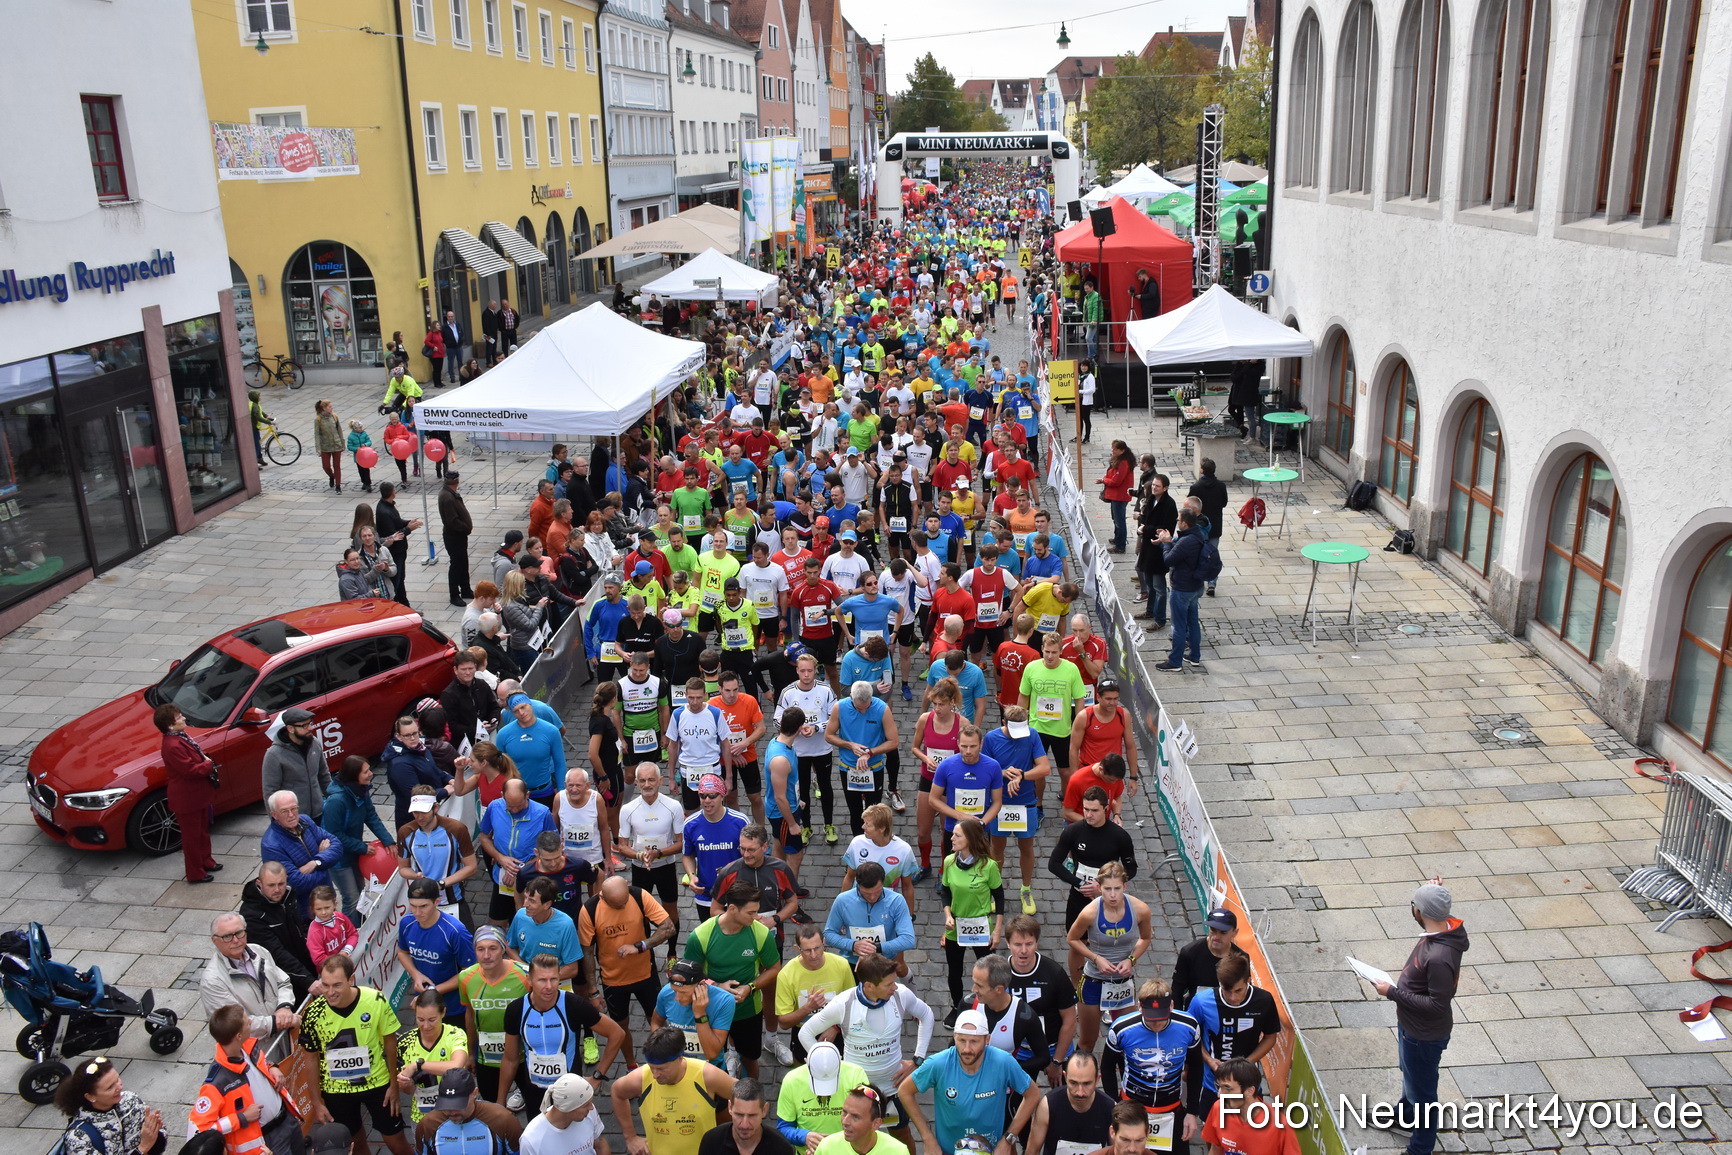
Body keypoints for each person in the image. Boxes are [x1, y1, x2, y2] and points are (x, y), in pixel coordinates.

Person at [1369, 880, 1467, 1155]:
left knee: (1424, 1093)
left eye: (1415, 905)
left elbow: (1437, 1004)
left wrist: (1392, 992)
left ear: (1420, 912)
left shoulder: (1439, 956)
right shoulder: (1442, 932)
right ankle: (1405, 1116)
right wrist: (1434, 892)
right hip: (1411, 1026)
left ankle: (1420, 1148)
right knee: (1412, 1076)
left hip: (1423, 1035)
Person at [797, 952, 932, 1148]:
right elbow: (806, 1033)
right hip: (857, 1092)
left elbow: (927, 1015)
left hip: (893, 1088)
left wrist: (917, 1060)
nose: (895, 987)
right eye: (888, 984)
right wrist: (829, 1066)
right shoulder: (843, 1004)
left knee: (902, 1136)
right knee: (852, 1140)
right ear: (869, 985)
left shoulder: (901, 995)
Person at [298, 954, 412, 1155]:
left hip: (377, 1084)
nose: (330, 992)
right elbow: (310, 1058)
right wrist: (316, 1102)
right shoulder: (313, 1012)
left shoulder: (375, 1000)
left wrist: (394, 1085)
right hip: (336, 1091)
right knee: (356, 1144)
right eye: (325, 985)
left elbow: (390, 1041)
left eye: (337, 985)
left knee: (396, 1142)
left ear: (351, 980)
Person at [900, 1008, 1040, 1155]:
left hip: (991, 1150)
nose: (967, 1049)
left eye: (974, 1041)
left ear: (987, 1040)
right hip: (948, 1151)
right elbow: (905, 1091)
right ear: (954, 1037)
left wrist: (1008, 1139)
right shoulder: (938, 1064)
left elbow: (1033, 1094)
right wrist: (928, 1138)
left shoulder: (1003, 1062)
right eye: (961, 1040)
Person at [498, 955, 625, 1115]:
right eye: (542, 980)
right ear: (529, 980)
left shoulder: (573, 1005)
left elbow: (617, 1034)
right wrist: (500, 1102)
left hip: (571, 1094)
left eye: (554, 979)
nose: (549, 986)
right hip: (535, 1093)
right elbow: (510, 1059)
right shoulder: (516, 1010)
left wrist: (597, 1076)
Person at [684, 881, 783, 1078]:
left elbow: (774, 968)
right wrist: (717, 986)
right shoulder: (701, 936)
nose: (757, 917)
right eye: (751, 913)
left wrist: (751, 987)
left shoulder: (761, 933)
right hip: (712, 1009)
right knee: (712, 1061)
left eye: (757, 912)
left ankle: (753, 1098)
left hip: (748, 1010)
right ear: (732, 909)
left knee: (751, 1058)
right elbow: (689, 976)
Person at [578, 874, 675, 1067]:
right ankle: (631, 1064)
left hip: (645, 974)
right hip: (613, 981)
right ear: (602, 897)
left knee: (657, 1020)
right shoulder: (589, 910)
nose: (622, 908)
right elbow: (587, 952)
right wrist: (593, 991)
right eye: (617, 906)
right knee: (621, 1027)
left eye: (624, 903)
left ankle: (664, 1061)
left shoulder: (640, 896)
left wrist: (641, 946)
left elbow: (669, 927)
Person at [1102, 979, 1204, 1155]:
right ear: (1140, 1006)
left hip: (1171, 1108)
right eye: (1151, 1018)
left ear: (1172, 1005)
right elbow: (1107, 1067)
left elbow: (1196, 1067)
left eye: (1162, 1017)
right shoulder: (1121, 1028)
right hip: (1132, 1106)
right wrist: (1114, 1106)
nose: (1156, 1024)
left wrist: (1192, 1112)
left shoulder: (1189, 1026)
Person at [190, 1003, 305, 1155]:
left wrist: (272, 1067)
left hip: (287, 1120)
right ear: (238, 1036)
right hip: (268, 1140)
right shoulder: (217, 1083)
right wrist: (241, 1118)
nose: (250, 1022)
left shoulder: (248, 1047)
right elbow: (200, 1129)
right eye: (246, 1022)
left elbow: (258, 1068)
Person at [1185, 952, 1285, 1124]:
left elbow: (1270, 1037)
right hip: (1211, 1085)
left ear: (1248, 980)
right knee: (1212, 1132)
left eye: (1238, 990)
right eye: (1227, 990)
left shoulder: (1263, 1001)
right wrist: (1208, 1060)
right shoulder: (1201, 1002)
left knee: (1250, 1130)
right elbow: (1189, 1036)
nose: (1233, 997)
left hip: (1247, 1084)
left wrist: (1246, 1064)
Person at [611, 1026, 738, 1155]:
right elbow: (617, 1092)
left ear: (680, 1058)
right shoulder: (642, 1078)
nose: (655, 1075)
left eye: (661, 1069)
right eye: (651, 1067)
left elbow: (748, 1097)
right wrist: (630, 1137)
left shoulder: (707, 1076)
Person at [1066, 863, 1153, 1051]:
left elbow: (1145, 938)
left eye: (1117, 888)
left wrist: (1130, 960)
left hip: (1122, 982)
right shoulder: (1090, 912)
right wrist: (1096, 958)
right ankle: (1081, 1077)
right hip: (1093, 981)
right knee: (1087, 1041)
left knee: (1126, 1039)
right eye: (1107, 889)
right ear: (1099, 887)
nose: (1112, 895)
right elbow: (1072, 939)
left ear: (1125, 886)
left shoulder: (1140, 909)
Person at [982, 708, 1049, 915]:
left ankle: (1026, 890)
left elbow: (1044, 768)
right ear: (1003, 722)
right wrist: (1001, 772)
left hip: (1026, 803)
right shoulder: (991, 738)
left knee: (1026, 848)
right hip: (999, 803)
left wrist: (1022, 775)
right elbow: (982, 767)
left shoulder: (1032, 734)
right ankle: (995, 890)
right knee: (997, 849)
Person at [615, 762, 686, 957]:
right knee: (640, 913)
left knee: (670, 910)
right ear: (636, 782)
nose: (647, 785)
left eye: (651, 780)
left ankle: (672, 953)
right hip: (640, 868)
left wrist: (658, 853)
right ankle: (646, 954)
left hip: (665, 866)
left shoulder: (673, 806)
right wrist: (640, 855)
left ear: (660, 781)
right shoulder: (628, 809)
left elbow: (682, 844)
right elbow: (622, 845)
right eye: (643, 781)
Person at [1004, 914, 1079, 1087]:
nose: (1024, 950)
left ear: (1036, 943)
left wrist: (1057, 1062)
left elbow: (1069, 1021)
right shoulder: (1000, 974)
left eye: (1029, 944)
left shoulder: (1054, 973)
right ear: (1008, 944)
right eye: (1017, 944)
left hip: (1054, 1049)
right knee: (1017, 1104)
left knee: (1065, 1101)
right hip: (1020, 1051)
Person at [1050, 787, 1140, 930]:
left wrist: (1105, 888)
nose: (1089, 814)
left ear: (1105, 808)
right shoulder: (1073, 831)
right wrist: (1080, 884)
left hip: (1108, 897)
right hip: (1079, 895)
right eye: (1086, 809)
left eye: (1095, 810)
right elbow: (1053, 864)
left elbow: (1131, 869)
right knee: (1076, 939)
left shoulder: (1120, 837)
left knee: (1106, 939)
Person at [200, 913, 298, 1043]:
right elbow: (234, 1023)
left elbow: (283, 982)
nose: (236, 940)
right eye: (227, 936)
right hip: (254, 1049)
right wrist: (276, 1022)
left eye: (239, 933)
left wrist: (284, 1007)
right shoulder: (212, 981)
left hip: (284, 1038)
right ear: (215, 940)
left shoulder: (259, 951)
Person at [320, 758, 395, 918]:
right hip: (339, 859)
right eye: (366, 771)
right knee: (352, 899)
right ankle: (351, 935)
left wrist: (388, 840)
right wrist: (362, 847)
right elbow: (335, 835)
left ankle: (361, 928)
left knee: (361, 894)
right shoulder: (336, 802)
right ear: (354, 775)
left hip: (354, 853)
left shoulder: (361, 790)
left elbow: (371, 816)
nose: (371, 773)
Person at [477, 779, 558, 927]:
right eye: (510, 806)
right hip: (502, 877)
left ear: (528, 794)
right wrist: (500, 858)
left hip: (533, 879)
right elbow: (484, 837)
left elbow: (552, 847)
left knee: (529, 923)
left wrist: (521, 868)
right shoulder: (494, 807)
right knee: (496, 923)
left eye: (519, 805)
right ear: (502, 795)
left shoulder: (542, 813)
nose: (514, 810)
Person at [397, 877, 476, 1027]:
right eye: (412, 906)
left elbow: (470, 972)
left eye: (423, 906)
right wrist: (416, 974)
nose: (417, 912)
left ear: (437, 902)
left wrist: (433, 990)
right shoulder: (406, 923)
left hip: (454, 1006)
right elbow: (402, 952)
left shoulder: (455, 931)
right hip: (425, 1006)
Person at [241, 861, 321, 1004]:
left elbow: (300, 929)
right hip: (282, 980)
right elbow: (276, 954)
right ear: (259, 883)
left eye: (281, 884)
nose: (277, 890)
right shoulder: (252, 915)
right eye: (271, 885)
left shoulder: (289, 894)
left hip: (304, 966)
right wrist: (307, 980)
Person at [157, 702, 220, 885]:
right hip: (187, 799)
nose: (183, 718)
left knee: (202, 831)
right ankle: (195, 872)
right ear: (170, 725)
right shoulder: (172, 745)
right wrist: (208, 764)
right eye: (179, 717)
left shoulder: (179, 737)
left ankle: (206, 861)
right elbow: (191, 770)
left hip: (197, 795)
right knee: (191, 837)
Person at [826, 680, 899, 835]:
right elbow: (829, 735)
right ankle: (859, 845)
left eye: (867, 707)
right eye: (859, 708)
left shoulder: (882, 709)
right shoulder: (840, 707)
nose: (864, 711)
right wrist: (850, 745)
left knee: (874, 814)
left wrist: (870, 752)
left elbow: (894, 741)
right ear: (851, 697)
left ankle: (874, 844)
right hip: (848, 768)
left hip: (874, 768)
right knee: (855, 812)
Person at [53, 1055, 165, 1155]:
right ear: (90, 1096)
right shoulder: (79, 1138)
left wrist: (156, 1135)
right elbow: (145, 1146)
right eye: (110, 1087)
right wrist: (143, 1148)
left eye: (117, 1079)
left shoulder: (131, 1100)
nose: (120, 1087)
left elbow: (158, 1140)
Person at [393, 989, 470, 1127]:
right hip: (423, 1117)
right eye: (420, 1020)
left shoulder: (455, 1035)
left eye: (432, 1020)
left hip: (456, 1113)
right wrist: (406, 1084)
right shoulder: (405, 1042)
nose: (426, 1026)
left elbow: (456, 1066)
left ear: (443, 1013)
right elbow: (409, 1091)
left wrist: (418, 1065)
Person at [1018, 632, 1087, 786]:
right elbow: (1024, 696)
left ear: (1061, 651)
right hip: (1037, 729)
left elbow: (1079, 699)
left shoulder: (1071, 669)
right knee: (1037, 771)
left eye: (1054, 652)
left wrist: (1079, 726)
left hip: (1062, 730)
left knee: (1065, 771)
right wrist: (1019, 723)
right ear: (1042, 648)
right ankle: (1039, 805)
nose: (1050, 656)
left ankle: (1066, 798)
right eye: (1047, 652)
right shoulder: (1031, 668)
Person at [822, 860, 917, 971]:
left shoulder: (896, 901)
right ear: (857, 884)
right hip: (852, 962)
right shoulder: (843, 900)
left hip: (884, 962)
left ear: (883, 883)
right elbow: (829, 934)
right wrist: (853, 945)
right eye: (866, 893)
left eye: (877, 892)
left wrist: (875, 948)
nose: (872, 897)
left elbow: (908, 940)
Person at [966, 953, 1048, 1081]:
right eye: (974, 983)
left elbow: (1043, 1058)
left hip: (1005, 1089)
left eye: (979, 986)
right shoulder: (968, 1004)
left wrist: (1009, 1069)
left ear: (999, 989)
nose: (973, 989)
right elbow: (954, 1043)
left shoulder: (1024, 1017)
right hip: (970, 1082)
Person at [260, 789, 341, 917]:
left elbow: (337, 845)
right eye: (284, 811)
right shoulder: (271, 845)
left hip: (326, 900)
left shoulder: (305, 821)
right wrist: (325, 868)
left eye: (294, 808)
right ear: (274, 815)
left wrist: (316, 862)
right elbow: (295, 882)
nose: (291, 815)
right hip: (305, 911)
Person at [414, 1068, 522, 1155]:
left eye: (458, 1105)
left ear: (475, 1093)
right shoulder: (427, 1124)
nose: (452, 1112)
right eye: (446, 1105)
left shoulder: (503, 1119)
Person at [1203, 1060, 1300, 1155]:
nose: (1220, 1095)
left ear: (1250, 1091)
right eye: (1219, 1087)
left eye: (1227, 1088)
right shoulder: (1219, 1108)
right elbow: (1216, 1149)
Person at [1025, 1053, 1114, 1155]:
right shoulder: (1048, 1105)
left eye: (1087, 1084)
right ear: (1065, 1077)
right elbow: (1032, 1151)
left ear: (1097, 1080)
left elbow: (1118, 1150)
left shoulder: (1110, 1108)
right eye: (1073, 1083)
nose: (1080, 1092)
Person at [1172, 911, 1250, 1013]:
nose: (1216, 937)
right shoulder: (1190, 953)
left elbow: (1244, 989)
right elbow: (1177, 989)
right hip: (1196, 1011)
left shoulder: (1242, 958)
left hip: (1226, 1013)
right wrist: (1180, 1017)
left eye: (1223, 932)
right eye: (1213, 930)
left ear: (1235, 932)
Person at [519, 1073, 609, 1155]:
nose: (591, 1108)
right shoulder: (531, 1140)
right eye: (585, 1105)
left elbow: (599, 1144)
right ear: (568, 1108)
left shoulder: (589, 1113)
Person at [1187, 460, 1229, 597]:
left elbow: (1189, 506)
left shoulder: (1196, 487)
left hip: (1199, 526)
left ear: (1202, 470)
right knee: (1212, 554)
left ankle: (1198, 579)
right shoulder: (1221, 486)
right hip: (1215, 525)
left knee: (1198, 553)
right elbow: (1224, 503)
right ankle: (1212, 582)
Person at [440, 471, 474, 607]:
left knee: (463, 562)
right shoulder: (447, 497)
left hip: (458, 535)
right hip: (454, 536)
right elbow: (452, 521)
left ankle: (465, 589)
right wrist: (465, 527)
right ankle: (454, 595)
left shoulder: (449, 493)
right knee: (456, 565)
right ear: (457, 481)